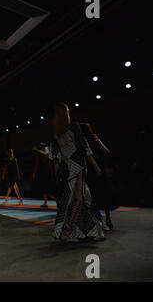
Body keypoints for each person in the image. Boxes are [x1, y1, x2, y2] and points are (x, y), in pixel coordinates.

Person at [49, 103, 104, 243]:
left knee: (77, 198)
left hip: (69, 168)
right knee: (80, 198)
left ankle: (76, 231)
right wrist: (95, 166)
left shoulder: (56, 132)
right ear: (65, 113)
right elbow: (85, 147)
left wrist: (57, 172)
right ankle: (68, 230)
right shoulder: (73, 127)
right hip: (78, 165)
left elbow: (55, 157)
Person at [80, 123, 119, 230]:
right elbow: (107, 151)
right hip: (100, 168)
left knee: (92, 195)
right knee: (105, 192)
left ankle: (95, 222)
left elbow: (86, 157)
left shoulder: (82, 142)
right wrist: (99, 141)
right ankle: (108, 218)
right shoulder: (95, 139)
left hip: (91, 169)